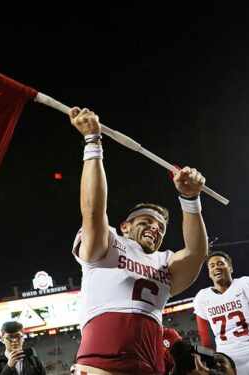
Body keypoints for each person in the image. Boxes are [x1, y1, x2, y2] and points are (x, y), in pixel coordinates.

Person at [69, 107, 209, 375]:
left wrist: (190, 199)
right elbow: (93, 210)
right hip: (102, 364)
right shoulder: (108, 243)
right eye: (146, 221)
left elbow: (196, 252)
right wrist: (92, 142)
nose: (154, 228)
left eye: (160, 228)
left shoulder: (164, 261)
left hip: (150, 365)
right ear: (125, 226)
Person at [193, 251, 249, 374]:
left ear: (230, 268)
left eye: (220, 263)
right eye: (212, 266)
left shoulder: (245, 284)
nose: (216, 267)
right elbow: (205, 339)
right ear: (209, 274)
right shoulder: (202, 298)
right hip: (227, 359)